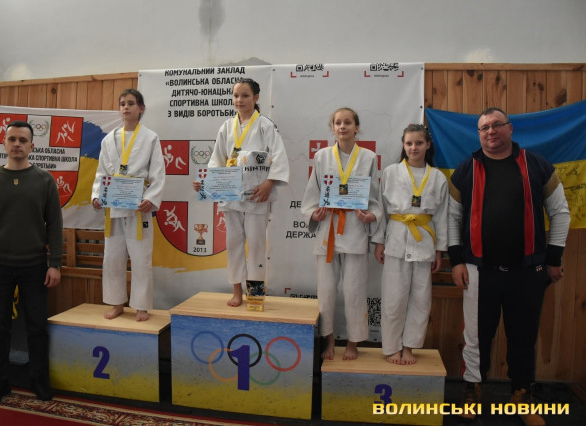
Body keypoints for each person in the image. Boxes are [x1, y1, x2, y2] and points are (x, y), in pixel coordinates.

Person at [448, 107, 570, 425]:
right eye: (484, 127)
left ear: (510, 128)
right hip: (478, 270)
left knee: (523, 336)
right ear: (478, 134)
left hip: (528, 271)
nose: (490, 131)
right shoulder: (466, 169)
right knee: (476, 336)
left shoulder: (537, 165)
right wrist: (457, 261)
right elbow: (452, 218)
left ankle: (521, 395)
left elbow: (560, 213)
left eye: (497, 125)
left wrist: (553, 260)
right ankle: (472, 390)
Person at [0, 121, 63, 406]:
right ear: (4, 144)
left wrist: (55, 263)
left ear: (32, 146)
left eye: (23, 140)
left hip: (35, 266)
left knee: (37, 327)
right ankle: (0, 383)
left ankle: (39, 381)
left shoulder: (44, 180)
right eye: (12, 139)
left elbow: (55, 225)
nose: (17, 144)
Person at [192, 78, 289, 307]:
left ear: (256, 98)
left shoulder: (265, 125)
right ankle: (236, 291)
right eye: (236, 95)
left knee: (256, 247)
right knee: (234, 244)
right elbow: (217, 160)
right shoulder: (227, 126)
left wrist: (270, 182)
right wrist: (206, 184)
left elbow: (279, 156)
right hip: (230, 195)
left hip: (256, 195)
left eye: (245, 95)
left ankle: (255, 294)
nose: (239, 100)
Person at [301, 107, 381, 360]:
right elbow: (312, 193)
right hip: (328, 230)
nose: (343, 126)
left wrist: (372, 215)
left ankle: (353, 343)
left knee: (354, 291)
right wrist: (313, 213)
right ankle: (329, 339)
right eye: (338, 123)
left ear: (357, 127)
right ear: (333, 128)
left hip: (355, 229)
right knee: (326, 292)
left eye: (348, 122)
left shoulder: (368, 158)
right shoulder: (322, 156)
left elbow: (375, 197)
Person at [372, 124, 448, 365]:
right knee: (393, 298)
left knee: (420, 299)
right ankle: (391, 347)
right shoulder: (391, 172)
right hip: (396, 237)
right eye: (409, 143)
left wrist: (439, 250)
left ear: (428, 145)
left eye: (419, 143)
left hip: (424, 240)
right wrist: (379, 241)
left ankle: (409, 347)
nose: (414, 147)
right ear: (403, 145)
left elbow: (442, 216)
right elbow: (381, 209)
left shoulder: (437, 177)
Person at [91, 89, 165, 322]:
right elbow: (101, 173)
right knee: (112, 258)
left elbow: (158, 172)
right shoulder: (108, 140)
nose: (125, 107)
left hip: (138, 207)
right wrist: (97, 195)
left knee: (141, 259)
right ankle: (116, 303)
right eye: (122, 103)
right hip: (113, 206)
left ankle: (141, 306)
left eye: (131, 103)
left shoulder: (150, 138)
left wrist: (151, 198)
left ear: (141, 108)